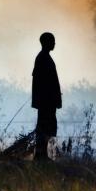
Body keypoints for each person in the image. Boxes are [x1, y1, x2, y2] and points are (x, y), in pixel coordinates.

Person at [31, 32, 61, 160]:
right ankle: (42, 155)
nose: (54, 43)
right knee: (45, 128)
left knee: (46, 128)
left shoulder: (43, 57)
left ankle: (43, 155)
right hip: (46, 102)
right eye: (52, 41)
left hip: (47, 101)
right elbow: (44, 82)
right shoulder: (43, 58)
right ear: (46, 43)